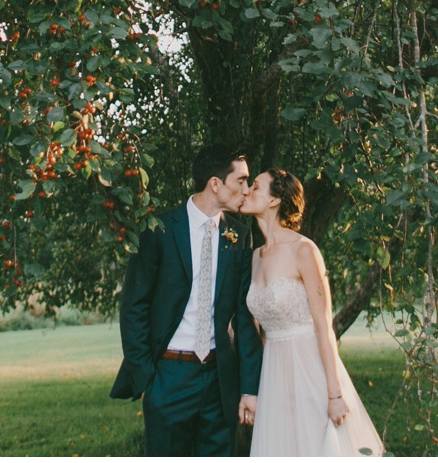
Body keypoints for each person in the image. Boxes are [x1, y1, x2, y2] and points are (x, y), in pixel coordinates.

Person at [112, 144, 263, 455]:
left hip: (219, 379)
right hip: (168, 376)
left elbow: (246, 317)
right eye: (241, 181)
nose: (247, 190)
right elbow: (133, 308)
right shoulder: (159, 229)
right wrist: (146, 381)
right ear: (215, 184)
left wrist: (249, 388)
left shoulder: (239, 237)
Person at [239, 168, 384, 457]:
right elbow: (261, 332)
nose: (247, 191)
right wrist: (254, 389)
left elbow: (323, 325)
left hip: (309, 367)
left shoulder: (304, 250)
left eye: (255, 187)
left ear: (273, 201)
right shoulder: (254, 257)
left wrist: (334, 393)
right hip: (273, 372)